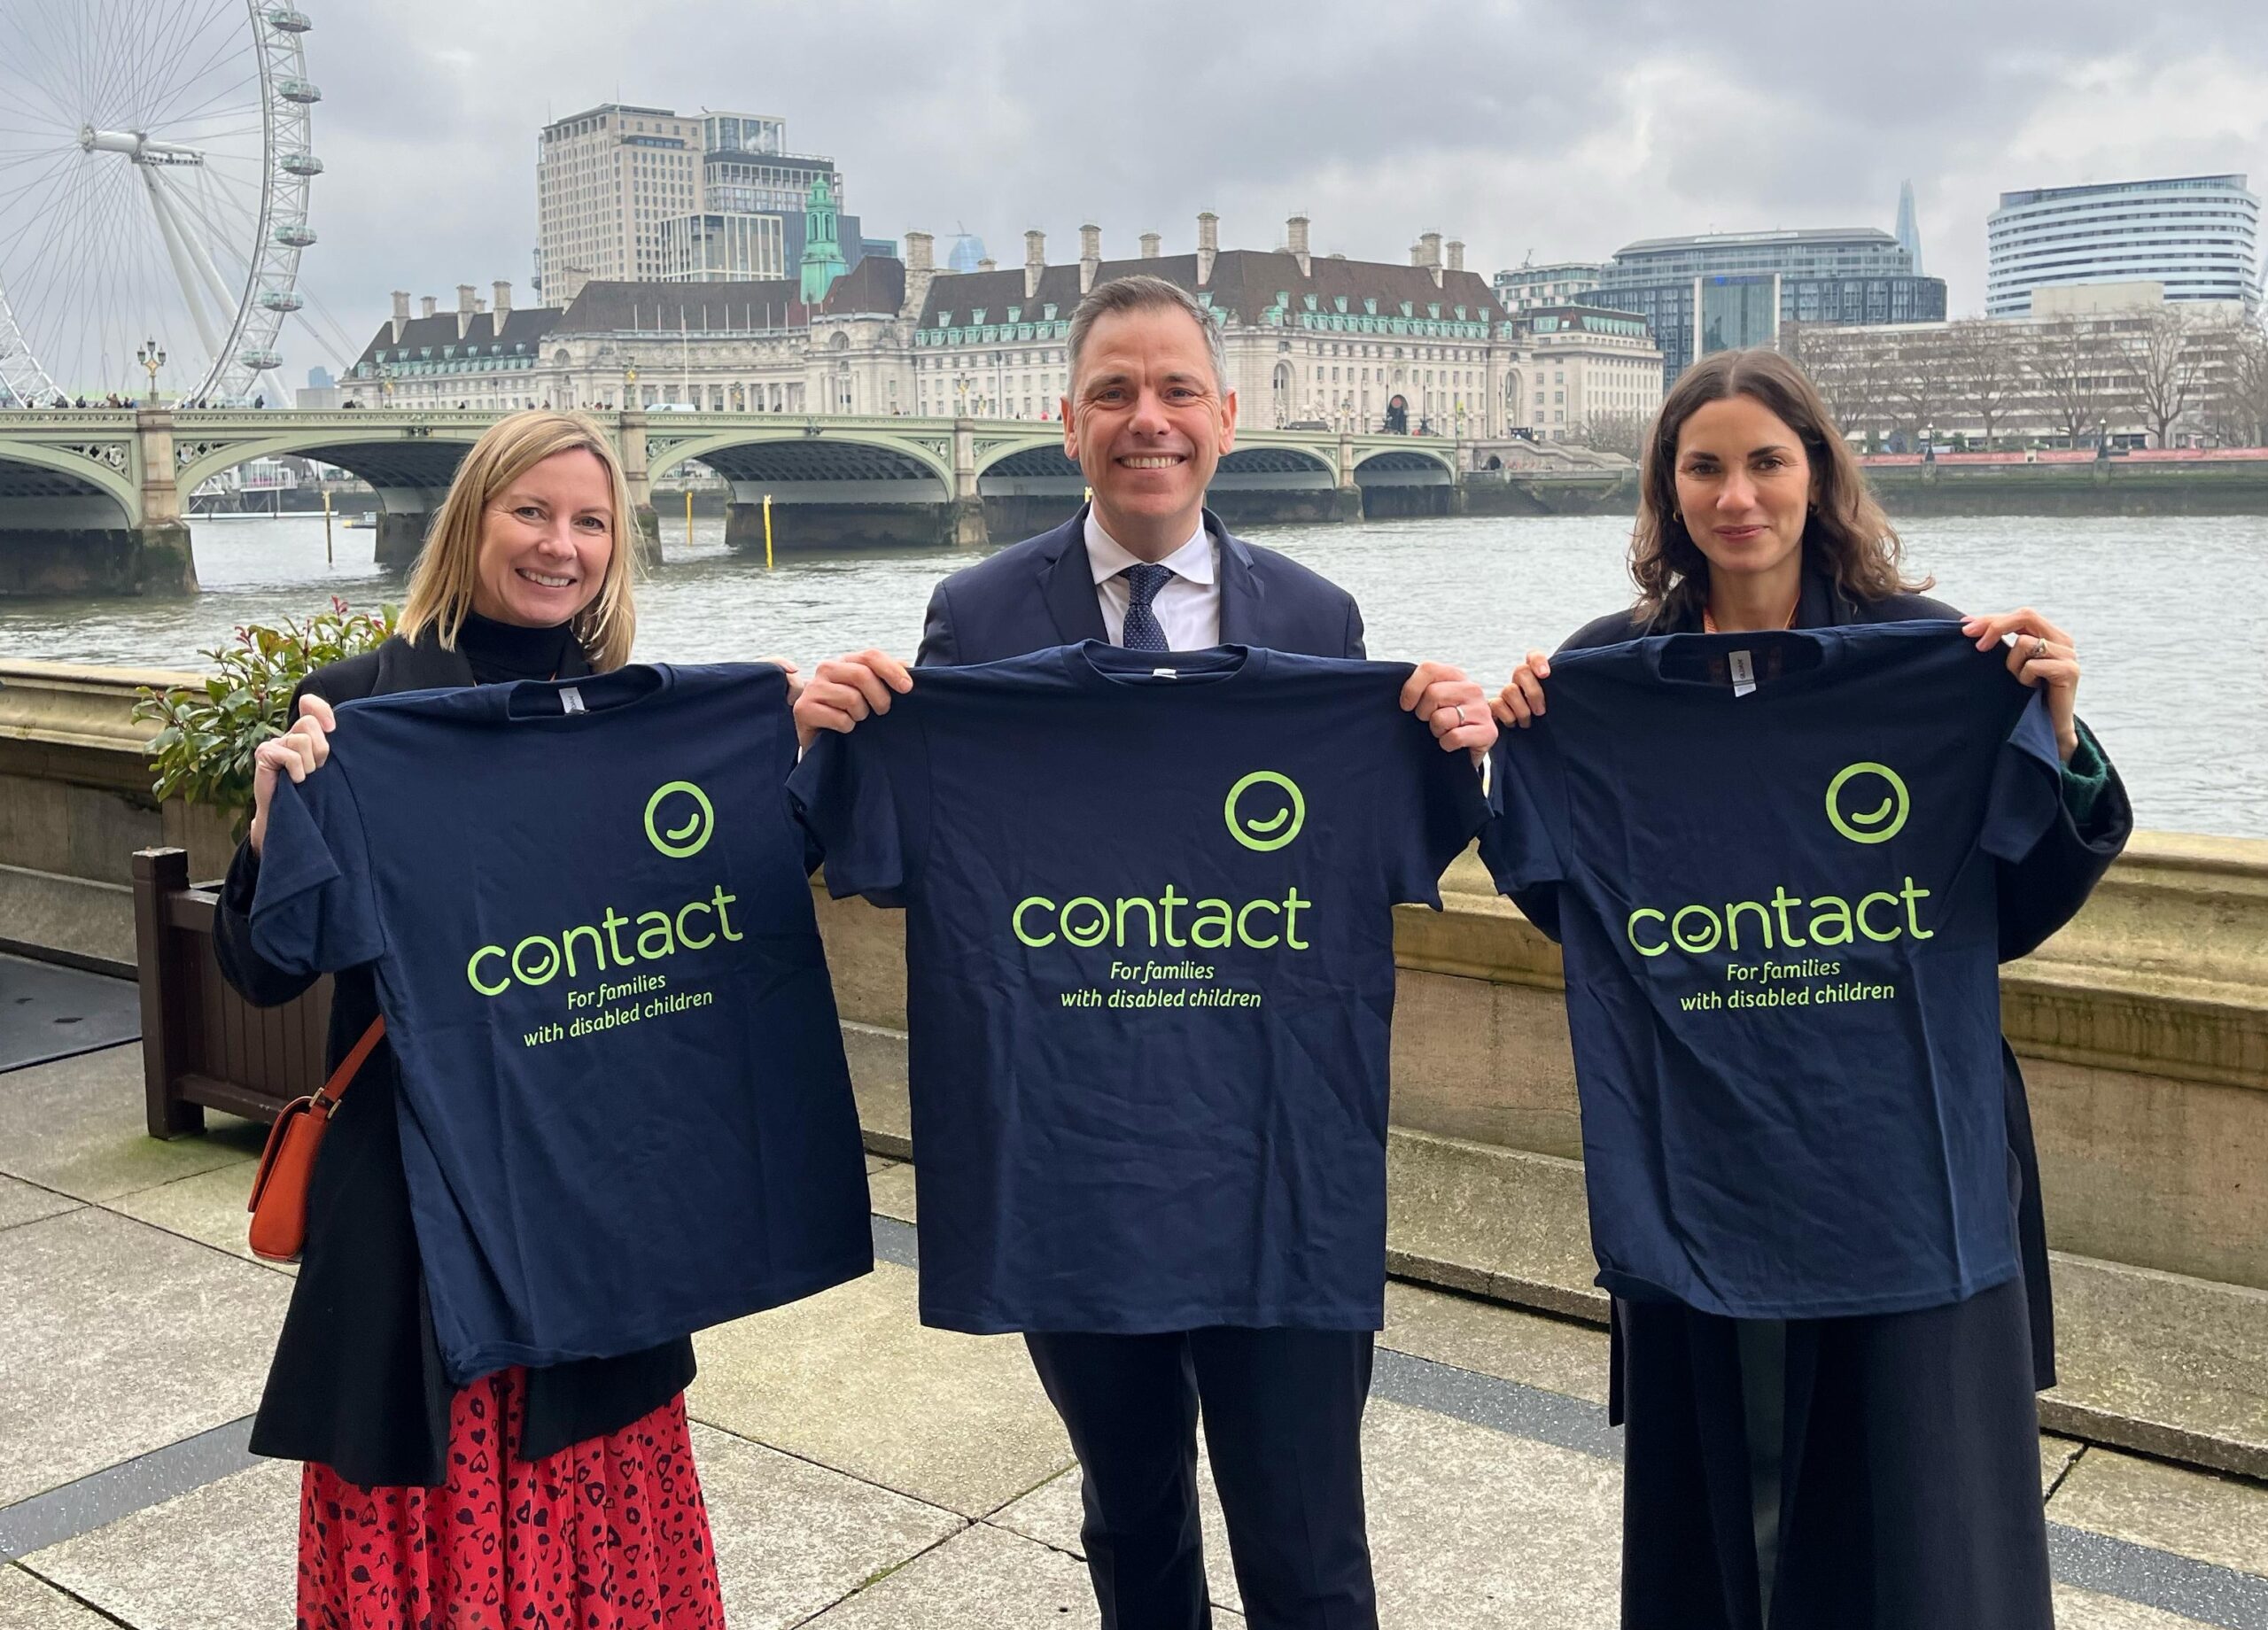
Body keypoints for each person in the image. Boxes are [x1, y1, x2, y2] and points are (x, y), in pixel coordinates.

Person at [796, 275, 1495, 1630]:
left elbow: (1405, 851)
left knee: (1308, 1548)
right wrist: (837, 739)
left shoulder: (1319, 620)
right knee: (1132, 1521)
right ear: (1066, 422)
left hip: (1277, 1159)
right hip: (1075, 1157)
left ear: (1228, 417)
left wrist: (1461, 746)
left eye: (1177, 390)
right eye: (1115, 391)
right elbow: (901, 864)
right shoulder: (978, 615)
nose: (1147, 419)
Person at [1489, 348, 2129, 1629]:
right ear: (1668, 494)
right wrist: (1520, 748)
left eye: (1766, 462)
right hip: (1702, 1131)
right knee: (1725, 1493)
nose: (1738, 496)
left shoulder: (1932, 659)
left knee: (1920, 1506)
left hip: (1905, 1134)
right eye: (1705, 467)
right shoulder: (1609, 673)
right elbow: (1578, 906)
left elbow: (2014, 902)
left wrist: (2058, 737)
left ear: (1818, 473)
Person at [214, 410, 753, 1629]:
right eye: (532, 511)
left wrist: (798, 748)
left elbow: (718, 920)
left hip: (588, 1207)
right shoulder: (357, 711)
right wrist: (267, 828)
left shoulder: (635, 719)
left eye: (591, 522)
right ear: (471, 521)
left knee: (598, 1513)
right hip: (417, 1213)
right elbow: (268, 969)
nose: (560, 545)